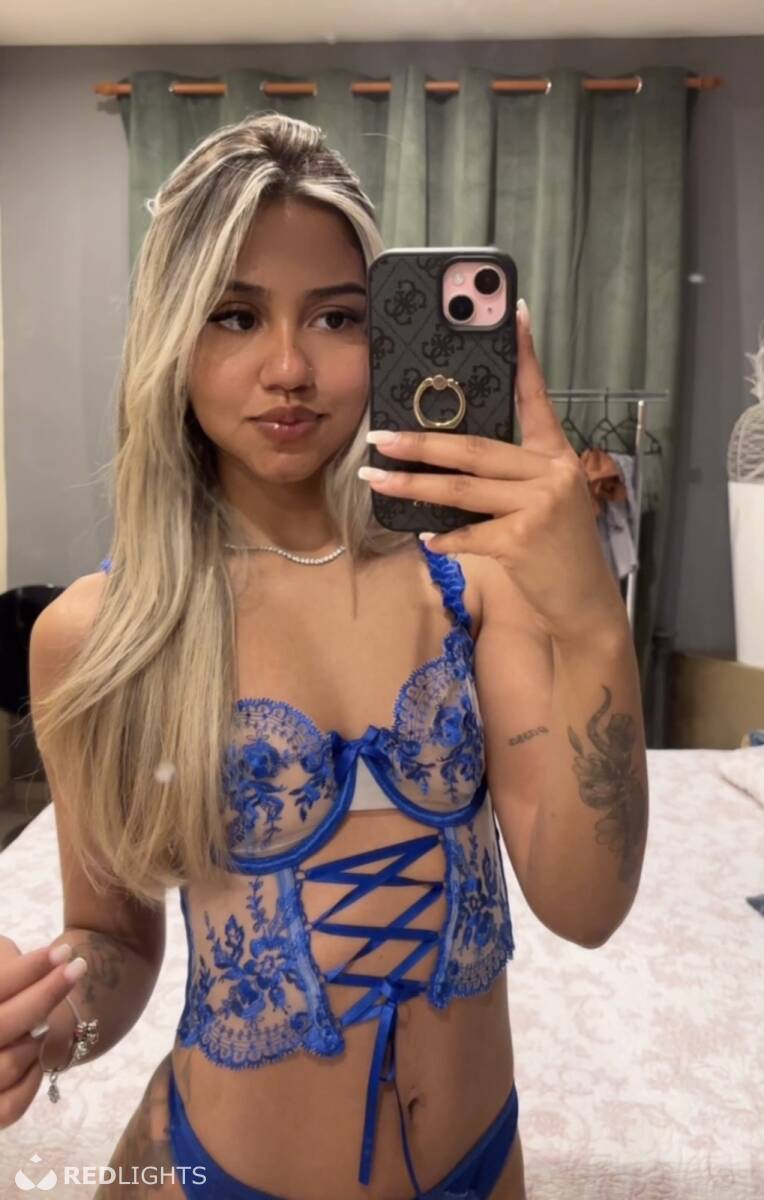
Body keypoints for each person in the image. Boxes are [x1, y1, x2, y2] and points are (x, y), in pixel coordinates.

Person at [0, 112, 648, 1199]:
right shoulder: (101, 636)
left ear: (387, 332)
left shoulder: (471, 586)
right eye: (235, 315)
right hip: (220, 1169)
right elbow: (113, 938)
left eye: (338, 316)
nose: (289, 368)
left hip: (479, 1163)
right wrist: (51, 1018)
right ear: (170, 336)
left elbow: (586, 909)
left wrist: (589, 621)